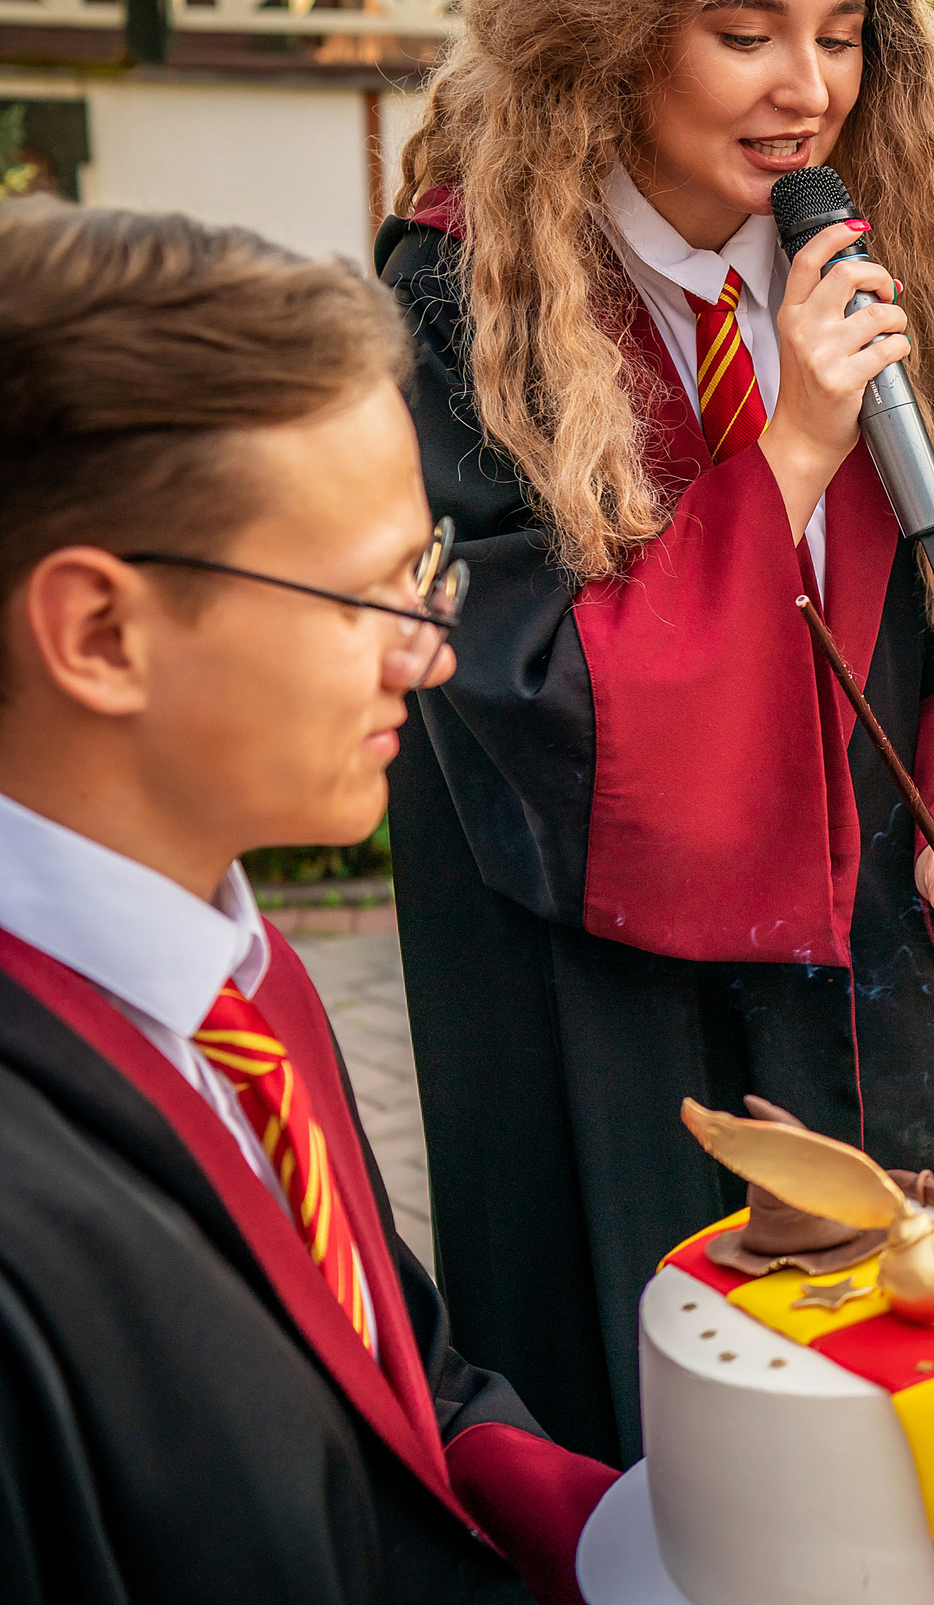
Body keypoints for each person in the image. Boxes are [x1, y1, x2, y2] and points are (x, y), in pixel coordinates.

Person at [376, 0, 934, 1465]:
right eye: (744, 33)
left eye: (839, 38)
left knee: (884, 1428)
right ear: (611, 35)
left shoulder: (882, 270)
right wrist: (792, 446)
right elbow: (535, 703)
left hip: (854, 981)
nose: (805, 87)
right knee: (659, 1439)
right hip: (600, 1012)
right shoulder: (456, 301)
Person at [0, 199, 618, 1602]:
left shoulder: (239, 982)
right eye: (364, 597)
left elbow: (402, 1377)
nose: (432, 649)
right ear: (100, 630)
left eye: (428, 570)